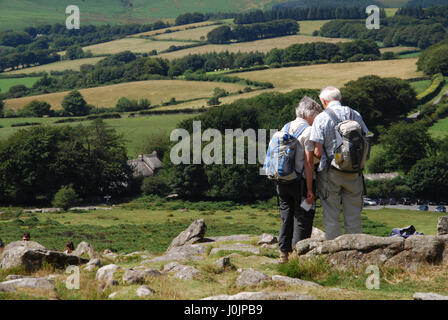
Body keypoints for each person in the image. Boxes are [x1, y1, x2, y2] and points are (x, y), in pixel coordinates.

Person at [310, 86, 369, 240]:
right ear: (340, 99)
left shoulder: (321, 118)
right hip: (354, 172)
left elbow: (316, 152)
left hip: (330, 173)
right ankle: (356, 250)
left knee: (331, 215)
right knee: (354, 215)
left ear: (323, 102)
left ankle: (334, 252)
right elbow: (365, 139)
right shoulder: (354, 114)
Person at [277, 96, 322, 263]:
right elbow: (309, 162)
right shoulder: (309, 131)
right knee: (302, 217)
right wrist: (310, 190)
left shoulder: (286, 126)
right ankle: (298, 256)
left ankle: (283, 254)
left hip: (282, 181)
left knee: (286, 217)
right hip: (301, 182)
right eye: (317, 115)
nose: (317, 119)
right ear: (310, 113)